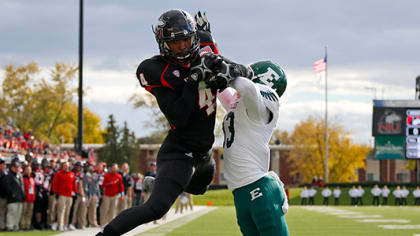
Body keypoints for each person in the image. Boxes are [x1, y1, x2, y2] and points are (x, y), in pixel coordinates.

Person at [97, 9, 254, 236]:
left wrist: (226, 70)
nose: (182, 46)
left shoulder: (203, 46)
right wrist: (194, 78)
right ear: (163, 43)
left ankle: (160, 180)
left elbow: (242, 72)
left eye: (186, 40)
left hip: (204, 152)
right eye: (175, 42)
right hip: (180, 150)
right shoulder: (154, 69)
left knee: (200, 188)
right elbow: (179, 117)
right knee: (156, 208)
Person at [207, 59, 289, 235]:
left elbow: (248, 89)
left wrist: (230, 73)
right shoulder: (242, 106)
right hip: (241, 192)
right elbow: (223, 92)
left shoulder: (263, 101)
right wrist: (210, 57)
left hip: (258, 188)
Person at [52, 161, 77, 232]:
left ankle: (65, 225)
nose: (66, 167)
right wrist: (56, 192)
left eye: (67, 165)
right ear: (62, 166)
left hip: (69, 195)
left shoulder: (72, 174)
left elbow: (74, 184)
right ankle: (60, 225)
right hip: (61, 194)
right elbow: (54, 183)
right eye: (64, 165)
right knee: (61, 210)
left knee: (67, 211)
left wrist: (75, 192)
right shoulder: (58, 174)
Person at [3, 159, 25, 231]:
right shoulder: (9, 175)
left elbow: (22, 186)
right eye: (16, 167)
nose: (18, 168)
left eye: (18, 167)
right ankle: (10, 226)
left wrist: (22, 195)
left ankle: (16, 226)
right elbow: (7, 187)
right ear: (12, 167)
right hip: (12, 198)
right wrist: (13, 194)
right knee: (12, 212)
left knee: (18, 213)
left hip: (19, 198)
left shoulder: (19, 176)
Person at [20, 165, 35, 230]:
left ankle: (27, 225)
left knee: (29, 213)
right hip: (25, 199)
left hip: (31, 199)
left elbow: (33, 189)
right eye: (27, 169)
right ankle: (22, 225)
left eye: (29, 169)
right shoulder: (22, 178)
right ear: (24, 170)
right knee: (23, 212)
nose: (28, 171)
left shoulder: (32, 179)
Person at [0, 159, 8, 230]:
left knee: (4, 211)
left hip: (5, 196)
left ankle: (3, 225)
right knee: (1, 212)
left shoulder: (4, 173)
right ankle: (1, 226)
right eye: (3, 164)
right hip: (1, 196)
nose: (4, 166)